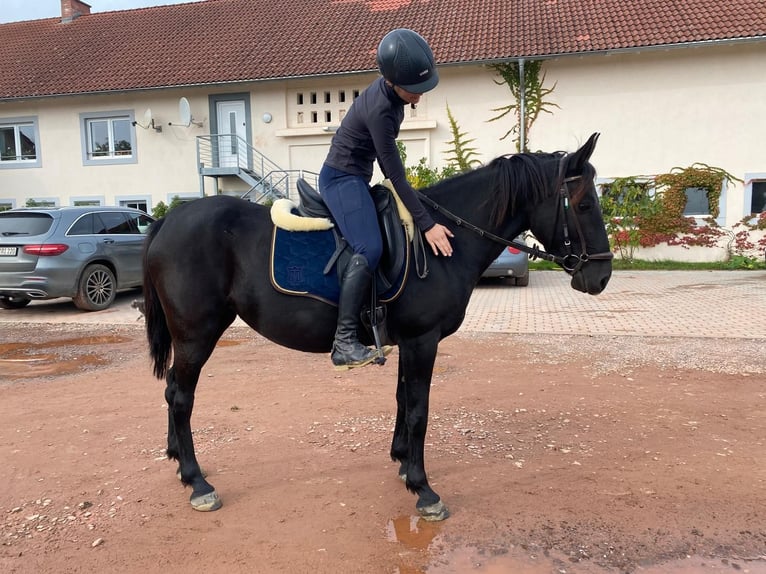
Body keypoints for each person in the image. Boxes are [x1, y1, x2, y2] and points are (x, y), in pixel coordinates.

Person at [319, 28, 454, 370]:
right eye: (415, 90)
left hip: (357, 178)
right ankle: (344, 341)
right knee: (370, 248)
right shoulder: (382, 110)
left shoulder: (395, 98)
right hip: (341, 179)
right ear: (393, 81)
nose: (420, 96)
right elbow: (395, 175)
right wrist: (427, 224)